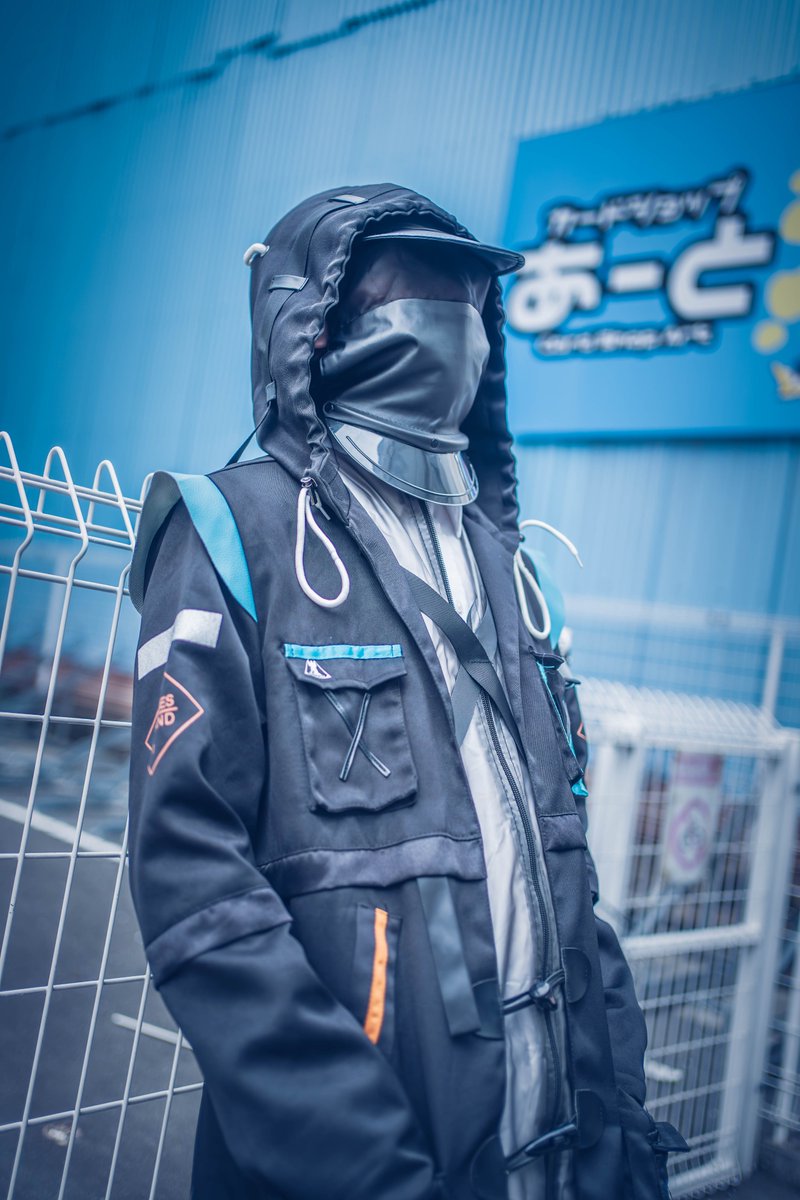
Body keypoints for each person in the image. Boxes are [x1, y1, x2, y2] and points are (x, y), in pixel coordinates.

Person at [127, 184, 686, 1200]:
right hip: (366, 1163)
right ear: (307, 316)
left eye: (465, 294)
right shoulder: (230, 534)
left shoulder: (510, 570)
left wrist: (624, 1138)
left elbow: (571, 884)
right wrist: (370, 1171)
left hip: (561, 1158)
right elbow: (199, 896)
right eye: (404, 286)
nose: (447, 316)